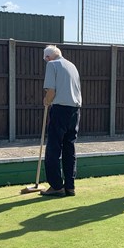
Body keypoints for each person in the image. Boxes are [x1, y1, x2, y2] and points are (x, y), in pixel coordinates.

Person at [40, 45, 82, 197]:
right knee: (69, 148)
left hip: (60, 110)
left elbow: (51, 91)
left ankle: (56, 186)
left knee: (53, 148)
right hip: (75, 111)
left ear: (48, 57)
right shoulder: (72, 66)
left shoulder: (52, 65)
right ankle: (70, 186)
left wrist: (46, 100)